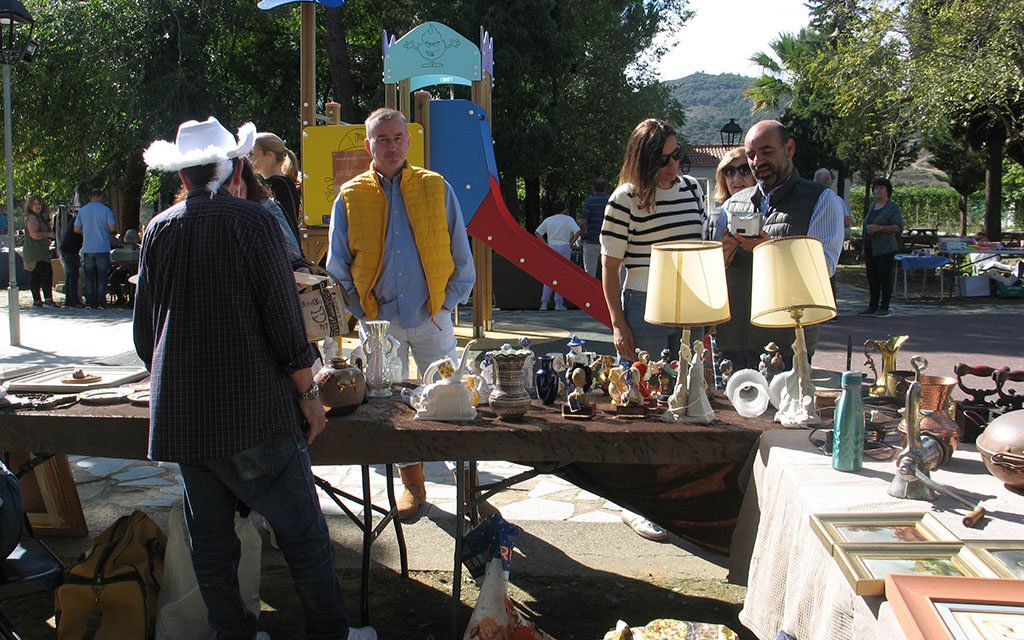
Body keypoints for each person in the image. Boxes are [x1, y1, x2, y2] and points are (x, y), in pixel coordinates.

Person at [136, 116, 376, 640]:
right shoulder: (255, 223)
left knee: (212, 543)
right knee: (304, 536)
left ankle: (232, 633)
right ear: (232, 170)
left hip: (183, 418)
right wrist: (309, 393)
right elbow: (283, 322)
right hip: (253, 414)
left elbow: (144, 333)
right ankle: (331, 633)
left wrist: (172, 380)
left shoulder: (159, 229)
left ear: (185, 178)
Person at [326, 107, 478, 521]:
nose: (391, 146)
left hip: (433, 316)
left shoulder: (436, 187)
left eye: (397, 138)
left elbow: (461, 257)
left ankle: (470, 490)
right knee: (391, 412)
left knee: (452, 403)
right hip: (380, 324)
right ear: (368, 144)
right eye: (382, 139)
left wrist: (447, 305)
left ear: (408, 142)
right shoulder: (351, 195)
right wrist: (361, 314)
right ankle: (414, 487)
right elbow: (337, 266)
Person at [600, 118, 706, 542]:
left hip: (692, 305)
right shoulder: (623, 199)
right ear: (643, 159)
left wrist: (710, 311)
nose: (673, 164)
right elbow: (610, 268)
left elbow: (701, 250)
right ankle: (637, 503)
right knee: (645, 402)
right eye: (663, 158)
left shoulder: (694, 191)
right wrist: (617, 323)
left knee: (692, 395)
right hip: (643, 305)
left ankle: (682, 495)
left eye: (678, 155)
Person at [711, 120, 846, 368]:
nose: (757, 162)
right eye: (751, 155)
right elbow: (712, 275)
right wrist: (722, 257)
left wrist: (769, 252)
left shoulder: (822, 200)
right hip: (732, 340)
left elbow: (824, 268)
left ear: (790, 148)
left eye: (767, 152)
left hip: (787, 342)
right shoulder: (732, 205)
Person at [707, 149, 756, 368]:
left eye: (744, 170)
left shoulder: (772, 210)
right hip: (728, 322)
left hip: (765, 321)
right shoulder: (716, 218)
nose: (736, 178)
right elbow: (708, 274)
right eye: (729, 171)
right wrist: (723, 257)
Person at [229, 158, 304, 267]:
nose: (234, 197)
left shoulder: (266, 207)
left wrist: (301, 268)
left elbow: (293, 254)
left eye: (238, 192)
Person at [859, 177, 903, 317]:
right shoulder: (872, 206)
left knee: (884, 277)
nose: (878, 191)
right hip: (870, 247)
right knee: (872, 277)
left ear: (887, 191)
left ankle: (884, 307)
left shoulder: (892, 207)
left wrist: (880, 228)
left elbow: (898, 227)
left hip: (885, 248)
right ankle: (872, 306)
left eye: (881, 188)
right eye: (876, 188)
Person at [250, 132, 304, 248]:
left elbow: (285, 222)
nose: (249, 159)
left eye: (252, 154)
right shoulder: (281, 182)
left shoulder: (279, 184)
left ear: (269, 155)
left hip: (285, 247)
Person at [535, 199, 581, 310]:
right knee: (561, 275)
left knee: (550, 275)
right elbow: (578, 231)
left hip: (551, 246)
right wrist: (571, 241)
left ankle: (544, 302)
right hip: (564, 246)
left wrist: (545, 245)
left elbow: (537, 232)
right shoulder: (568, 219)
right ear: (564, 209)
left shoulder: (548, 220)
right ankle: (558, 303)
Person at [74, 189, 116, 310]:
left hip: (88, 248)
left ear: (90, 196)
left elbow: (76, 229)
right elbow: (112, 228)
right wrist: (104, 231)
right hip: (102, 247)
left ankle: (89, 302)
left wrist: (86, 232)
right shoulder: (106, 210)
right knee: (102, 277)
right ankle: (101, 303)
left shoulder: (82, 210)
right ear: (101, 196)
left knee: (89, 277)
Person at [22, 195, 58, 308]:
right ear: (30, 206)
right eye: (35, 204)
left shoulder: (39, 217)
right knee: (46, 273)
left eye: (39, 204)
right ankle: (47, 300)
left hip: (40, 250)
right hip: (35, 251)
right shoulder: (32, 218)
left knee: (36, 275)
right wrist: (48, 234)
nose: (38, 206)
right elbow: (34, 234)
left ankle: (37, 301)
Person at [579, 178, 609, 277]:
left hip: (591, 240)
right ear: (605, 188)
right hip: (608, 241)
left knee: (589, 272)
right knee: (609, 271)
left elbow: (583, 222)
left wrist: (583, 235)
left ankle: (589, 292)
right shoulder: (611, 200)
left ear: (593, 188)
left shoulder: (589, 201)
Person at [58, 205, 83, 307]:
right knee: (73, 275)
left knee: (70, 276)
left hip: (68, 249)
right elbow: (78, 231)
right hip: (70, 250)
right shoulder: (79, 220)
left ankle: (70, 300)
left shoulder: (75, 219)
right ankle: (73, 301)